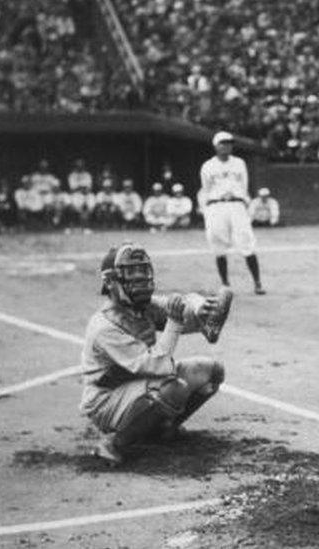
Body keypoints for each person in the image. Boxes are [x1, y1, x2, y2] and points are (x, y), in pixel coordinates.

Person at [79, 242, 232, 464]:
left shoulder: (141, 306)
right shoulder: (105, 326)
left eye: (142, 271)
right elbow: (158, 364)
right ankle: (113, 442)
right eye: (132, 274)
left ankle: (162, 428)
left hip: (138, 384)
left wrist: (201, 309)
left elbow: (180, 303)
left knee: (213, 371)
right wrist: (174, 323)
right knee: (174, 388)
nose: (140, 279)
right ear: (112, 283)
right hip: (106, 399)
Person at [199, 131, 265, 295]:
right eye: (222, 143)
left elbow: (244, 185)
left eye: (229, 143)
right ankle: (225, 284)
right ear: (215, 145)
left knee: (246, 241)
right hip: (216, 205)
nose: (226, 146)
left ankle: (257, 283)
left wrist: (242, 202)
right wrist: (207, 209)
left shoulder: (239, 163)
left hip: (236, 205)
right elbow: (206, 189)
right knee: (217, 243)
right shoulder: (208, 166)